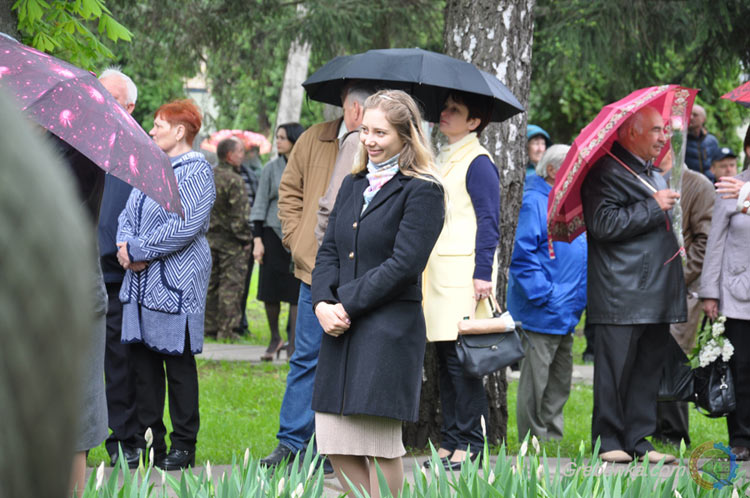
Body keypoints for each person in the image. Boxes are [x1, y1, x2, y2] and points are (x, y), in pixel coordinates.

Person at [312, 89, 445, 497]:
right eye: (365, 130)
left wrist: (345, 303)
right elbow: (329, 249)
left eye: (380, 133)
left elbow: (405, 265)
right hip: (340, 328)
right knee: (335, 439)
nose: (369, 140)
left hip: (387, 331)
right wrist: (322, 303)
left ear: (407, 136)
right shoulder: (353, 184)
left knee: (377, 444)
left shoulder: (423, 190)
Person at [261, 83, 373, 468]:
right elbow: (289, 192)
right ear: (353, 107)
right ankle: (291, 443)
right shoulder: (313, 138)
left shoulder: (382, 144)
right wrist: (297, 240)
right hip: (314, 270)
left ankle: (331, 449)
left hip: (362, 275)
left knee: (349, 361)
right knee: (306, 356)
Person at [581, 106, 686, 464]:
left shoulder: (652, 173)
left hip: (655, 290)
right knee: (616, 371)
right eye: (656, 130)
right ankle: (608, 438)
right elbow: (603, 224)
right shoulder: (605, 172)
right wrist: (653, 207)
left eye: (665, 130)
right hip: (621, 292)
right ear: (631, 132)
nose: (663, 138)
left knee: (647, 370)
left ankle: (639, 440)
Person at [117, 99, 216, 470]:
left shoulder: (197, 170)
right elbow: (128, 215)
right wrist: (126, 247)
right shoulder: (151, 167)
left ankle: (183, 446)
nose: (151, 130)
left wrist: (139, 249)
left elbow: (186, 225)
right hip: (140, 285)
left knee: (178, 369)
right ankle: (153, 444)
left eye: (158, 124)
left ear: (179, 130)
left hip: (175, 285)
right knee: (143, 371)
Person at [422, 90, 500, 470]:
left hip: (464, 279)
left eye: (455, 110)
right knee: (445, 362)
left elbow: (489, 220)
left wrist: (483, 273)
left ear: (474, 122)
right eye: (445, 107)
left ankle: (471, 444)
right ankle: (451, 440)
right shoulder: (444, 155)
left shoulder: (478, 161)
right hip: (439, 277)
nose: (445, 113)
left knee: (463, 365)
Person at [508, 144, 587, 442]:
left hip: (567, 307)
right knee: (536, 381)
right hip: (543, 308)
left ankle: (552, 439)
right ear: (553, 170)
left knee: (560, 378)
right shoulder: (535, 201)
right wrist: (545, 294)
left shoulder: (567, 199)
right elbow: (522, 255)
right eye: (572, 166)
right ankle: (532, 439)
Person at [96, 68, 142, 468]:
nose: (100, 102)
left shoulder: (140, 151)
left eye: (109, 97)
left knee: (120, 363)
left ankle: (125, 440)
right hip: (73, 270)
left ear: (130, 106)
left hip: (119, 275)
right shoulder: (79, 141)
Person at [653, 150, 715, 447]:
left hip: (684, 289)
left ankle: (674, 433)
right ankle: (651, 427)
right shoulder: (644, 181)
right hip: (649, 287)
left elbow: (705, 241)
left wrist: (680, 278)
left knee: (675, 356)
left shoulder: (697, 184)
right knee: (650, 357)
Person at [699, 163, 750, 461]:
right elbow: (715, 242)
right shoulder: (730, 187)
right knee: (740, 367)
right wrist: (710, 292)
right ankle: (740, 438)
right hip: (737, 292)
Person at [251, 123, 305, 360]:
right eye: (277, 137)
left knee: (296, 291)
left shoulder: (306, 165)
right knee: (270, 290)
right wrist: (257, 240)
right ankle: (275, 338)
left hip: (299, 235)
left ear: (294, 139)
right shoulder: (270, 168)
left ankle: (293, 343)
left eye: (283, 137)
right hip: (272, 234)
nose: (278, 141)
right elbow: (260, 204)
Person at [205, 137, 253, 341]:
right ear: (229, 155)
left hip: (208, 239)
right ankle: (227, 330)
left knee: (211, 284)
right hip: (232, 243)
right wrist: (246, 240)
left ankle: (208, 327)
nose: (243, 155)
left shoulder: (207, 175)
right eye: (240, 151)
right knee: (231, 286)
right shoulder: (234, 180)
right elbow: (239, 217)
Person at [237, 146, 260, 336]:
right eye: (239, 151)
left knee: (244, 283)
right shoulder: (218, 173)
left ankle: (241, 322)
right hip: (228, 239)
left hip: (249, 236)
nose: (243, 155)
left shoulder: (251, 175)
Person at [685, 104, 720, 182]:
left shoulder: (712, 141)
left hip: (710, 183)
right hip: (690, 184)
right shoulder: (682, 141)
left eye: (695, 115)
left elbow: (717, 164)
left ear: (703, 119)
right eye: (689, 114)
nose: (691, 117)